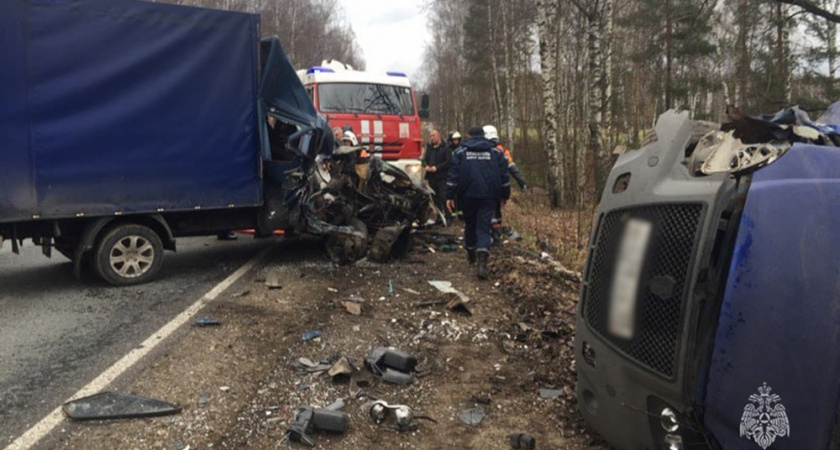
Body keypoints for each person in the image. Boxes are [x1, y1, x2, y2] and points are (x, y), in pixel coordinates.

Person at [445, 126, 510, 280]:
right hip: (488, 196)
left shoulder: (461, 152)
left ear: (469, 136)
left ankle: (472, 254)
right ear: (484, 135)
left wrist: (449, 196)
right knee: (484, 227)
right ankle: (482, 262)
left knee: (470, 225)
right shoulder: (495, 152)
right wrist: (504, 196)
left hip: (466, 196)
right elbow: (504, 177)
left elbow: (453, 176)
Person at [483, 125, 526, 239]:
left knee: (488, 211)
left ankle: (491, 235)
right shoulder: (503, 151)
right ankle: (496, 235)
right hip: (501, 186)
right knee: (496, 211)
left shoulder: (483, 150)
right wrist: (522, 182)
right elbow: (513, 168)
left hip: (485, 186)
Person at [423, 129, 452, 223]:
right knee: (435, 198)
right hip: (431, 176)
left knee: (443, 197)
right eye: (430, 136)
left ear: (438, 136)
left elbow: (448, 162)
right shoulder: (430, 147)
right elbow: (424, 160)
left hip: (442, 176)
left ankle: (448, 216)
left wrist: (437, 168)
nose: (432, 138)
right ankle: (440, 217)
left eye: (433, 136)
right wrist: (426, 166)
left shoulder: (446, 148)